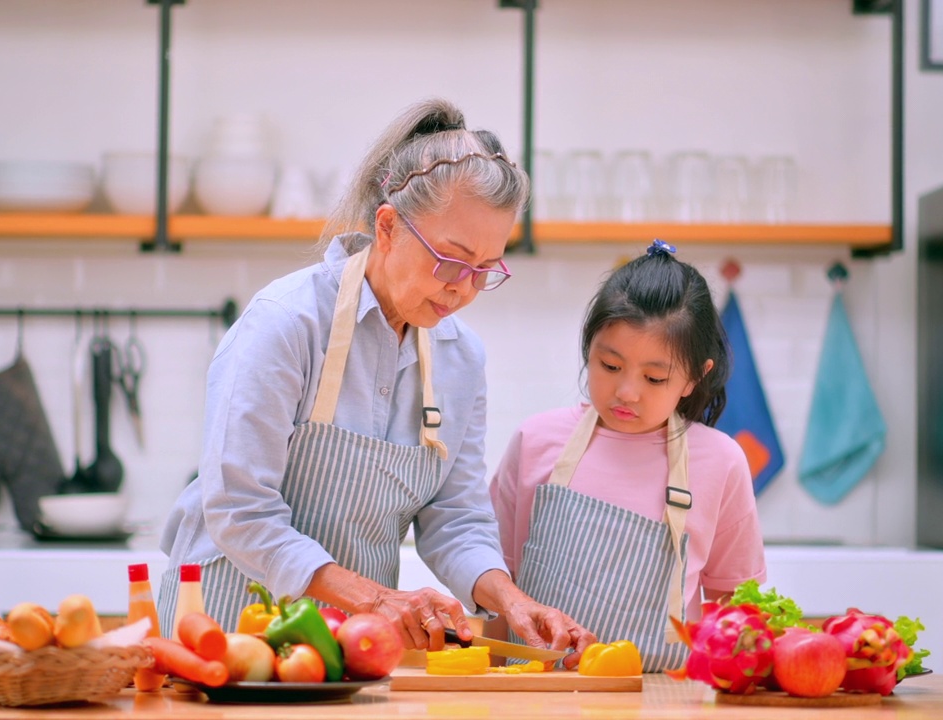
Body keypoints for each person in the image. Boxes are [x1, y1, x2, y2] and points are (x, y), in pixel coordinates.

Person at [158, 98, 595, 662]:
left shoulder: (461, 359)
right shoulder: (286, 323)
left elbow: (454, 517)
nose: (463, 289)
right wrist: (377, 598)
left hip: (352, 652)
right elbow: (238, 510)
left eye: (485, 270)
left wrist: (509, 599)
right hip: (225, 636)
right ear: (387, 227)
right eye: (451, 261)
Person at [489, 239, 766, 672]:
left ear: (695, 377)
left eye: (655, 378)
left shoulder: (720, 461)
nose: (627, 392)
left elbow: (737, 604)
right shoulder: (536, 440)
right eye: (610, 366)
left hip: (663, 698)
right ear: (588, 349)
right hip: (539, 694)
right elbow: (495, 588)